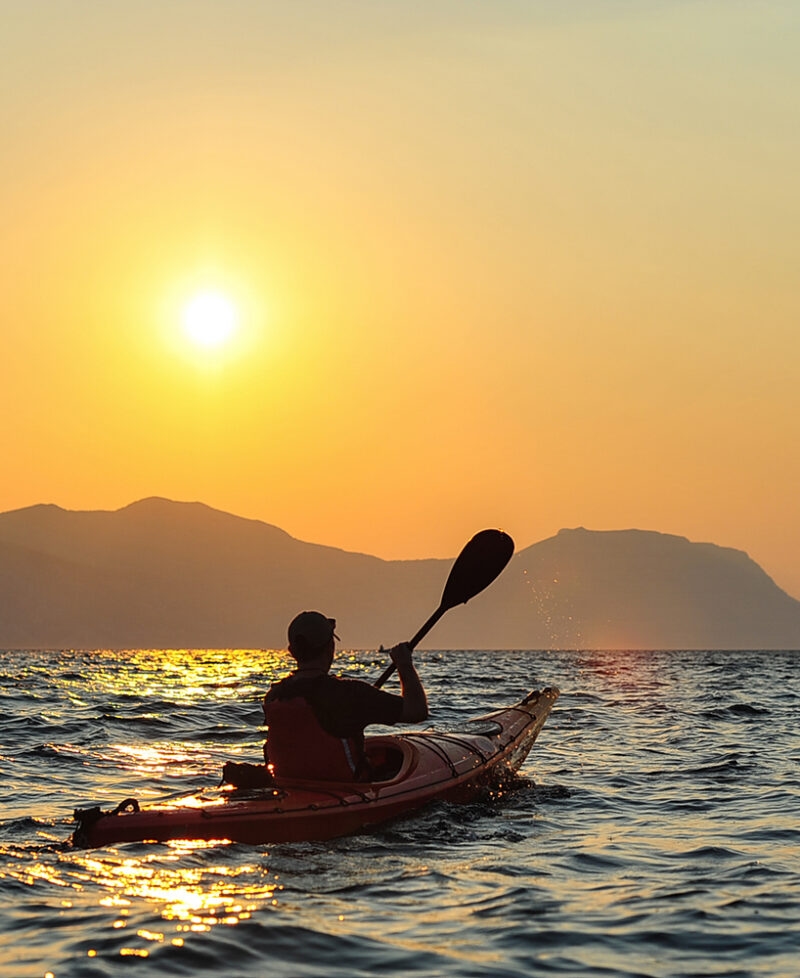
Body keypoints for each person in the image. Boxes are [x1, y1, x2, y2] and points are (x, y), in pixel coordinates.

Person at [263, 610, 428, 782]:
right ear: (331, 647)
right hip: (346, 788)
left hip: (290, 789)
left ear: (292, 651)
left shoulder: (274, 695)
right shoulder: (351, 693)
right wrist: (404, 665)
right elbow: (417, 711)